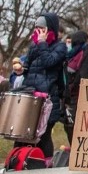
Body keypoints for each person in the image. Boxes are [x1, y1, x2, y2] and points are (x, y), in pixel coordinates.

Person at [19, 13, 67, 156]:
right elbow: (27, 64)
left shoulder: (60, 47)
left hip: (47, 98)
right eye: (37, 28)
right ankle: (22, 161)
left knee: (44, 135)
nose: (38, 32)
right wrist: (21, 69)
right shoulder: (35, 45)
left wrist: (42, 43)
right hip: (31, 95)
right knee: (24, 134)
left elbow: (49, 62)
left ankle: (46, 164)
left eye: (42, 28)